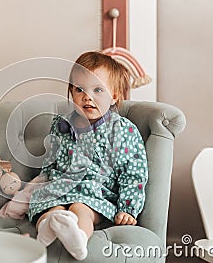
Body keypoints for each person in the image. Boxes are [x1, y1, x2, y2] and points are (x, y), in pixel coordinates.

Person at [28, 51, 148, 260]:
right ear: (71, 92)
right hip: (59, 186)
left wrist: (128, 209)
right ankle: (48, 226)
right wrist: (38, 185)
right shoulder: (61, 125)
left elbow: (133, 173)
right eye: (79, 89)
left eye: (98, 90)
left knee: (79, 208)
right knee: (49, 208)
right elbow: (50, 162)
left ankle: (79, 238)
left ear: (114, 96)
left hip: (95, 194)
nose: (87, 97)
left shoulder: (122, 130)